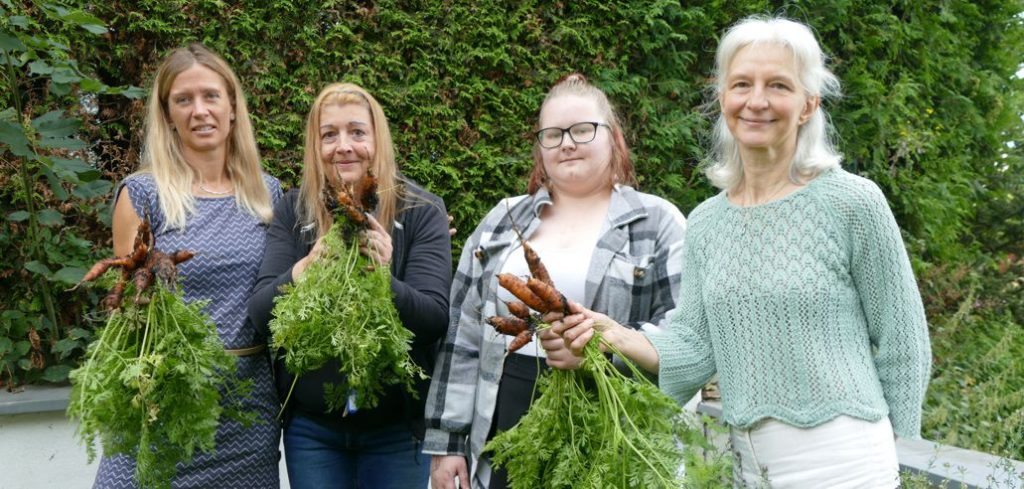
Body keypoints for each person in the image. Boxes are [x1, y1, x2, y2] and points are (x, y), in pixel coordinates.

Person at [554, 17, 932, 489]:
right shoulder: (708, 223)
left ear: (808, 105)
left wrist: (893, 448)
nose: (756, 101)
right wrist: (615, 336)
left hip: (845, 462)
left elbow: (903, 338)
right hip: (750, 466)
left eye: (778, 85)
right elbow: (693, 345)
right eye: (741, 84)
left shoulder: (852, 203)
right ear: (723, 99)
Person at [424, 74, 688, 489]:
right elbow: (463, 335)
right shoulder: (502, 220)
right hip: (507, 413)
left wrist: (606, 352)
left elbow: (684, 337)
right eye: (553, 134)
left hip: (613, 420)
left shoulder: (657, 222)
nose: (567, 143)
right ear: (540, 147)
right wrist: (448, 443)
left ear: (613, 138)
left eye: (583, 130)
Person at [94, 44, 282, 488]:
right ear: (168, 114)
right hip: (165, 407)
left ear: (232, 107)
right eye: (184, 99)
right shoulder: (142, 194)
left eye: (211, 96)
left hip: (245, 410)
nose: (200, 111)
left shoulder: (268, 195)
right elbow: (128, 316)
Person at [247, 82, 451, 489]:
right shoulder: (295, 209)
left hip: (395, 430)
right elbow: (260, 314)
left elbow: (433, 320)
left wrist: (384, 278)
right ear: (316, 145)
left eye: (357, 132)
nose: (344, 146)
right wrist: (305, 268)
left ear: (378, 140)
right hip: (314, 430)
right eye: (329, 134)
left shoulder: (421, 210)